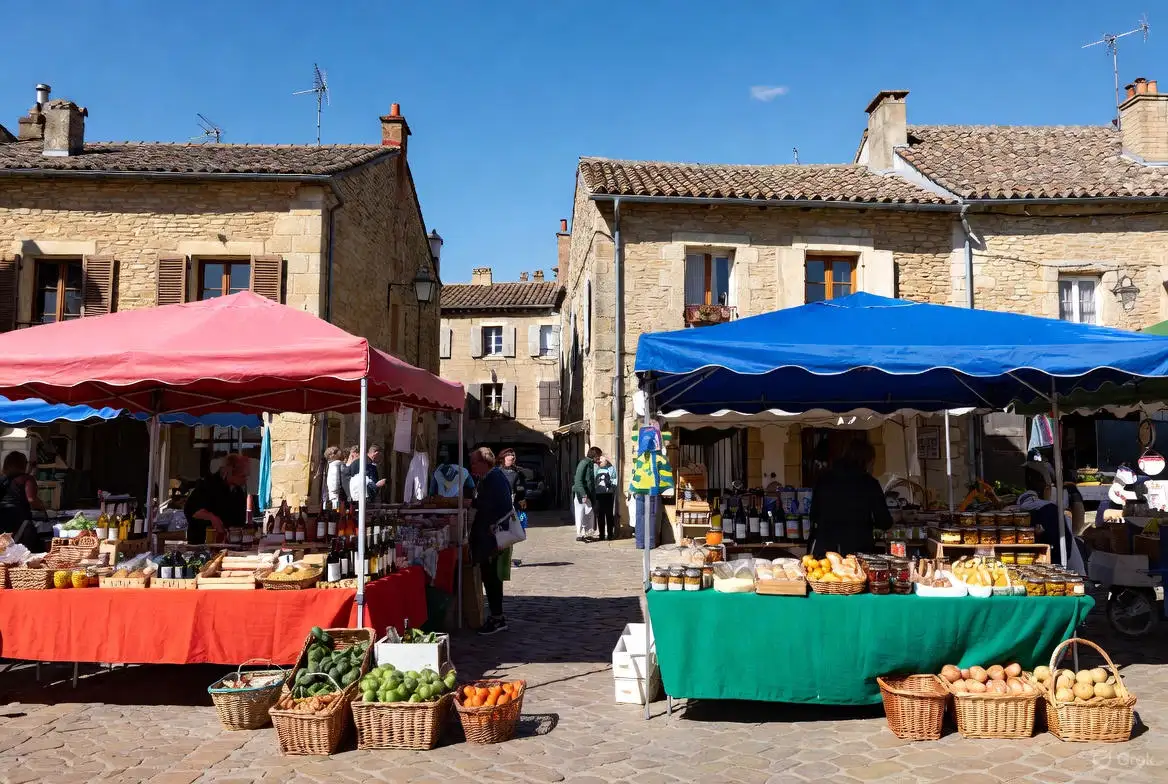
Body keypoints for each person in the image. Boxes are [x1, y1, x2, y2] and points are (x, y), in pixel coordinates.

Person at [807, 440, 893, 557]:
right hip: (857, 550)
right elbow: (884, 521)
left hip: (826, 549)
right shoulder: (869, 483)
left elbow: (814, 515)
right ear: (867, 461)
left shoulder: (824, 479)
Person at [469, 446, 514, 635]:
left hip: (492, 537)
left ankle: (497, 618)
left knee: (492, 578)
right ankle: (496, 616)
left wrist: (491, 525)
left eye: (474, 463)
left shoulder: (494, 478)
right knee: (489, 577)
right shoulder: (488, 478)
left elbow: (502, 505)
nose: (471, 467)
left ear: (483, 463)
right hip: (488, 536)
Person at [184, 453, 249, 545]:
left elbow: (238, 522)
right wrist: (212, 518)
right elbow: (191, 510)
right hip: (201, 544)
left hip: (228, 544)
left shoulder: (238, 491)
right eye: (243, 476)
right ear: (230, 472)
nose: (245, 479)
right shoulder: (208, 485)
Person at [0, 451, 44, 550]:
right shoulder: (27, 479)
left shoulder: (2, 479)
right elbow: (31, 499)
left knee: (4, 549)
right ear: (22, 464)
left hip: (2, 518)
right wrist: (42, 506)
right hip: (20, 519)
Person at [573, 447, 601, 542]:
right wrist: (583, 494)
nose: (599, 458)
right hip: (582, 494)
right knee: (580, 513)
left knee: (590, 514)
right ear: (595, 455)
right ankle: (579, 533)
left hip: (588, 494)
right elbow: (578, 480)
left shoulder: (590, 464)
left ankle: (588, 533)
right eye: (598, 456)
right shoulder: (583, 463)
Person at [594, 455, 618, 541]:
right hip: (598, 494)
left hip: (608, 494)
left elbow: (614, 479)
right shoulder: (596, 468)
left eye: (601, 460)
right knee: (600, 515)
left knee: (609, 515)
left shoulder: (611, 469)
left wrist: (613, 489)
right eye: (599, 460)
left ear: (606, 461)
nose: (599, 462)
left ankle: (610, 534)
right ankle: (601, 534)